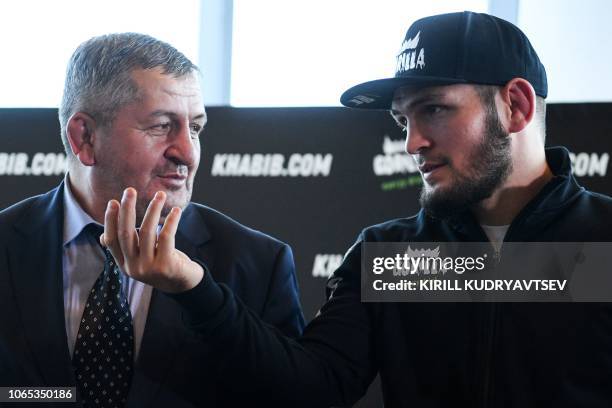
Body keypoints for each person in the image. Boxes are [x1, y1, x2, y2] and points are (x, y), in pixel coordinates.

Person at [78, 12, 612, 408]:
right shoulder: (388, 255)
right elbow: (309, 390)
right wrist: (194, 287)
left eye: (435, 110)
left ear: (515, 106)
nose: (413, 143)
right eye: (403, 120)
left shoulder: (603, 243)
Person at [0, 33, 304, 407]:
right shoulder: (7, 246)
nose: (187, 153)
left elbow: (295, 395)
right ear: (85, 138)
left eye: (195, 128)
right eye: (162, 126)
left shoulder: (257, 264)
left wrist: (198, 295)